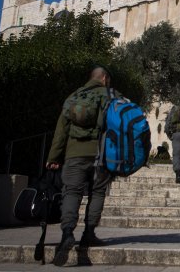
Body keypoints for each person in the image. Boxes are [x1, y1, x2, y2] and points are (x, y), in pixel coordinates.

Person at [46, 66, 117, 266]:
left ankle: (67, 233)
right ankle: (89, 233)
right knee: (97, 192)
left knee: (72, 192)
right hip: (101, 155)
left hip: (74, 153)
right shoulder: (110, 97)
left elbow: (61, 130)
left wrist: (54, 156)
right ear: (104, 78)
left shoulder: (74, 96)